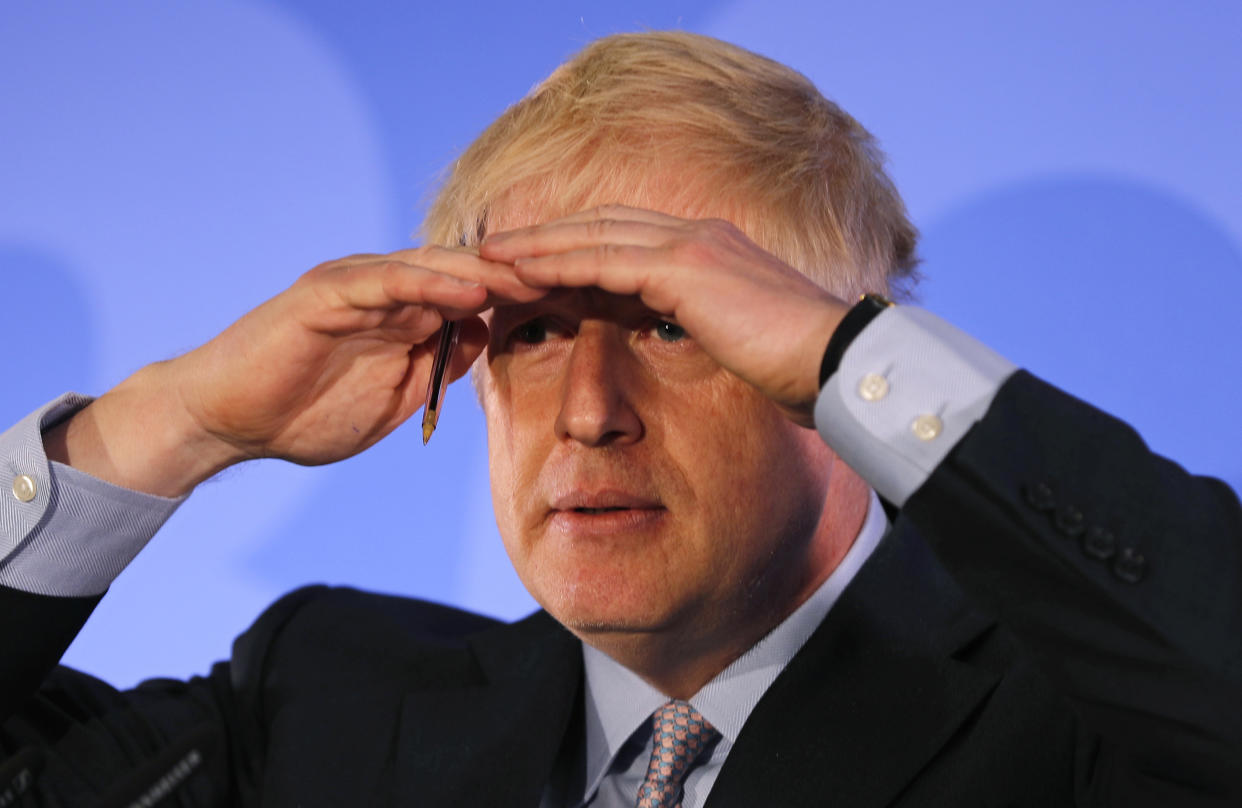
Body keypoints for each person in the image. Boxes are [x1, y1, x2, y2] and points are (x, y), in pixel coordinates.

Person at [1, 31, 1239, 808]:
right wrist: (167, 425)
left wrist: (857, 361)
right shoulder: (323, 700)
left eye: (671, 321)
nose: (590, 413)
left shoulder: (1081, 717)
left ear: (820, 359)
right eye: (532, 333)